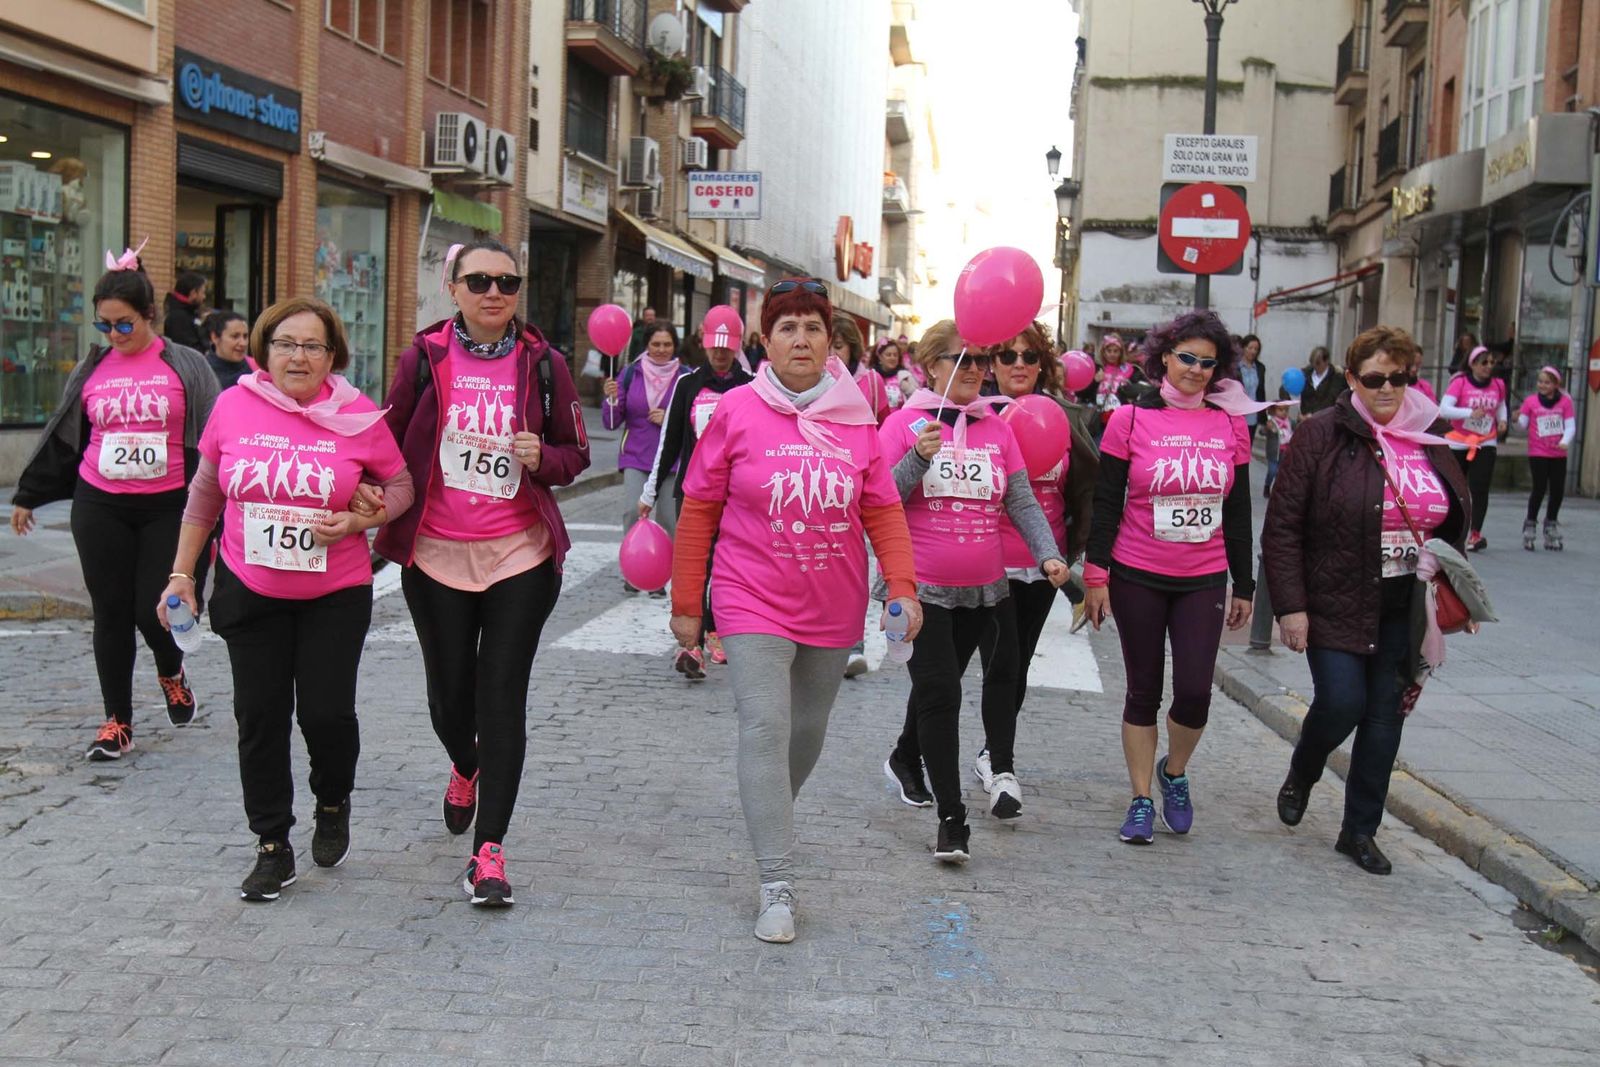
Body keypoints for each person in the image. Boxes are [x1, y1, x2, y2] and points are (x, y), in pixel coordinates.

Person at [669, 277, 920, 943]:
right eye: (787, 328)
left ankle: (768, 809)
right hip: (751, 595)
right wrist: (687, 605)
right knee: (765, 728)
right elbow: (699, 508)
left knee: (805, 735)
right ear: (766, 342)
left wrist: (902, 586)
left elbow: (883, 510)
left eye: (813, 327)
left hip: (831, 602)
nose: (801, 338)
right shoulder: (736, 411)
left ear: (830, 340)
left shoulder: (855, 417)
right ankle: (776, 878)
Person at [159, 296, 412, 901]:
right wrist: (181, 573)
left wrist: (359, 525)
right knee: (260, 717)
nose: (298, 356)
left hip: (335, 593)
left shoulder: (359, 417)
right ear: (264, 350)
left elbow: (400, 485)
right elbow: (205, 494)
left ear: (333, 356)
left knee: (325, 714)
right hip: (251, 589)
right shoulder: (233, 405)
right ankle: (272, 844)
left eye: (313, 346)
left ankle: (331, 799)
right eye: (285, 344)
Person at [375, 239, 591, 907]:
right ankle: (464, 762)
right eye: (479, 281)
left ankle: (489, 850)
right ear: (455, 288)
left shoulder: (544, 363)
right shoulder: (424, 357)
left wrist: (542, 457)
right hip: (436, 553)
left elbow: (576, 451)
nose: (494, 292)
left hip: (518, 554)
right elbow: (386, 440)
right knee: (449, 699)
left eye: (506, 281)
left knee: (502, 696)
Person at [1265, 326, 1471, 876]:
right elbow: (1283, 526)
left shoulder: (1430, 435)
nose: (1388, 389)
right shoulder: (1321, 435)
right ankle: (1304, 770)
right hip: (1334, 595)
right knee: (1340, 703)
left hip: (1405, 603)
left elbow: (1454, 515)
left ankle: (1359, 831)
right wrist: (1290, 606)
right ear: (1352, 378)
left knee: (1384, 720)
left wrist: (1450, 573)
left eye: (1398, 378)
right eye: (1375, 378)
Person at [10, 246, 217, 759]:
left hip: (169, 504)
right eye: (103, 326)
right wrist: (29, 494)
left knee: (157, 610)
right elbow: (64, 431)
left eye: (123, 325)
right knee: (109, 612)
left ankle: (171, 671)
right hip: (100, 502)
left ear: (149, 315)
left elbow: (218, 436)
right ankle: (117, 722)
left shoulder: (185, 364)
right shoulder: (92, 368)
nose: (113, 336)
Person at [879, 319, 1070, 861]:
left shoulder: (996, 427)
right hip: (916, 589)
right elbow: (878, 498)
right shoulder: (902, 423)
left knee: (939, 688)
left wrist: (1047, 552)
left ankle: (904, 754)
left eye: (982, 362)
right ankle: (951, 817)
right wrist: (917, 457)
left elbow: (1021, 500)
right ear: (932, 365)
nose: (979, 371)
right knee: (943, 694)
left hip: (984, 590)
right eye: (965, 360)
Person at [1080, 310, 1259, 846]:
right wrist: (1096, 574)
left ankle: (1174, 773)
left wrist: (1244, 585)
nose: (1196, 370)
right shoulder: (1128, 420)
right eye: (1187, 358)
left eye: (1207, 363)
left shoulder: (1231, 425)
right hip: (1137, 572)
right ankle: (1140, 799)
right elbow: (1106, 502)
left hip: (1203, 577)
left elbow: (1240, 509)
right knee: (1143, 691)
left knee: (1195, 693)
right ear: (1164, 357)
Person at [975, 323, 1098, 815]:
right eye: (1006, 355)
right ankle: (1001, 767)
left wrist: (1083, 556)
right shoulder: (974, 415)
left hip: (1045, 563)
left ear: (1043, 362)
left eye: (1028, 355)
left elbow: (1088, 489)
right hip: (988, 560)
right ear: (992, 364)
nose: (1018, 363)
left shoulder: (1066, 417)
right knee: (1000, 661)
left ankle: (989, 752)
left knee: (1019, 662)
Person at [640, 308, 754, 677]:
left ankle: (718, 629)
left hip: (737, 495)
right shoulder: (687, 385)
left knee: (726, 567)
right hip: (693, 493)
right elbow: (669, 443)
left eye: (727, 348)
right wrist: (650, 492)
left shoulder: (751, 387)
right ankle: (691, 646)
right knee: (694, 568)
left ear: (737, 346)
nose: (720, 354)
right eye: (714, 347)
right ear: (704, 343)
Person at [604, 321, 690, 565]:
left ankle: (664, 571)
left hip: (672, 461)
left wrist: (671, 420)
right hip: (636, 456)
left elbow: (697, 422)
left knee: (668, 520)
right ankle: (634, 567)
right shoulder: (631, 373)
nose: (661, 349)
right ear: (647, 346)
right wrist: (611, 400)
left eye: (667, 344)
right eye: (656, 344)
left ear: (675, 347)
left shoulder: (686, 377)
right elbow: (611, 422)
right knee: (633, 512)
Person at [1438, 345, 1507, 551]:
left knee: (1480, 488)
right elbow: (1444, 409)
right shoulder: (1460, 383)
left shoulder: (1498, 384)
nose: (1488, 366)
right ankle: (1450, 530)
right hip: (1459, 441)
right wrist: (1469, 412)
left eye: (1491, 363)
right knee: (1454, 488)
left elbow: (1501, 405)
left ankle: (1475, 534)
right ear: (1473, 364)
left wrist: (1503, 420)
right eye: (1484, 362)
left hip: (1486, 441)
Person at [1516, 366, 1575, 551]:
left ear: (1556, 384)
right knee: (1539, 488)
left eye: (1547, 382)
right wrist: (1516, 418)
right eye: (1540, 381)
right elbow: (1522, 426)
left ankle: (1550, 523)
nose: (1542, 385)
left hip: (1558, 453)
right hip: (1538, 452)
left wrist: (1565, 441)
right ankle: (1531, 523)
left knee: (1557, 490)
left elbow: (1571, 426)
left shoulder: (1565, 402)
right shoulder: (1531, 402)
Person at [830, 316, 889, 424]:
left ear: (852, 347)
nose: (831, 353)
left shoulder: (872, 381)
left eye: (838, 346)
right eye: (826, 347)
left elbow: (884, 427)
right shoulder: (811, 380)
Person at [203, 309, 252, 389]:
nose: (243, 343)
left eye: (245, 336)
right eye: (235, 336)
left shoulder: (255, 367)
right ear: (215, 337)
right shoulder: (202, 373)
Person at [163, 271, 208, 352]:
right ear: (193, 293)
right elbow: (189, 350)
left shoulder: (190, 313)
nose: (204, 297)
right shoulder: (178, 318)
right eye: (202, 292)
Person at [1298, 346, 1347, 417]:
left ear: (1326, 361)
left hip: (1326, 421)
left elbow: (1332, 400)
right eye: (1312, 363)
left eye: (1318, 363)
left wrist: (1314, 415)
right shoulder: (1304, 375)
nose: (1315, 366)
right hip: (1306, 420)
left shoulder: (1336, 378)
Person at [873, 340, 917, 410]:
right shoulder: (872, 376)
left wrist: (908, 388)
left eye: (895, 355)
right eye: (888, 355)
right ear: (880, 357)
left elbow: (916, 401)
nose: (892, 358)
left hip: (899, 419)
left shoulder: (905, 377)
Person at [1238, 334, 1267, 441]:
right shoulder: (1236, 366)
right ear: (1243, 348)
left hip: (1252, 415)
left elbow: (1261, 392)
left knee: (1248, 445)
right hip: (1238, 413)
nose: (1253, 351)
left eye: (1256, 349)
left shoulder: (1260, 368)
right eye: (1250, 348)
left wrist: (1263, 418)